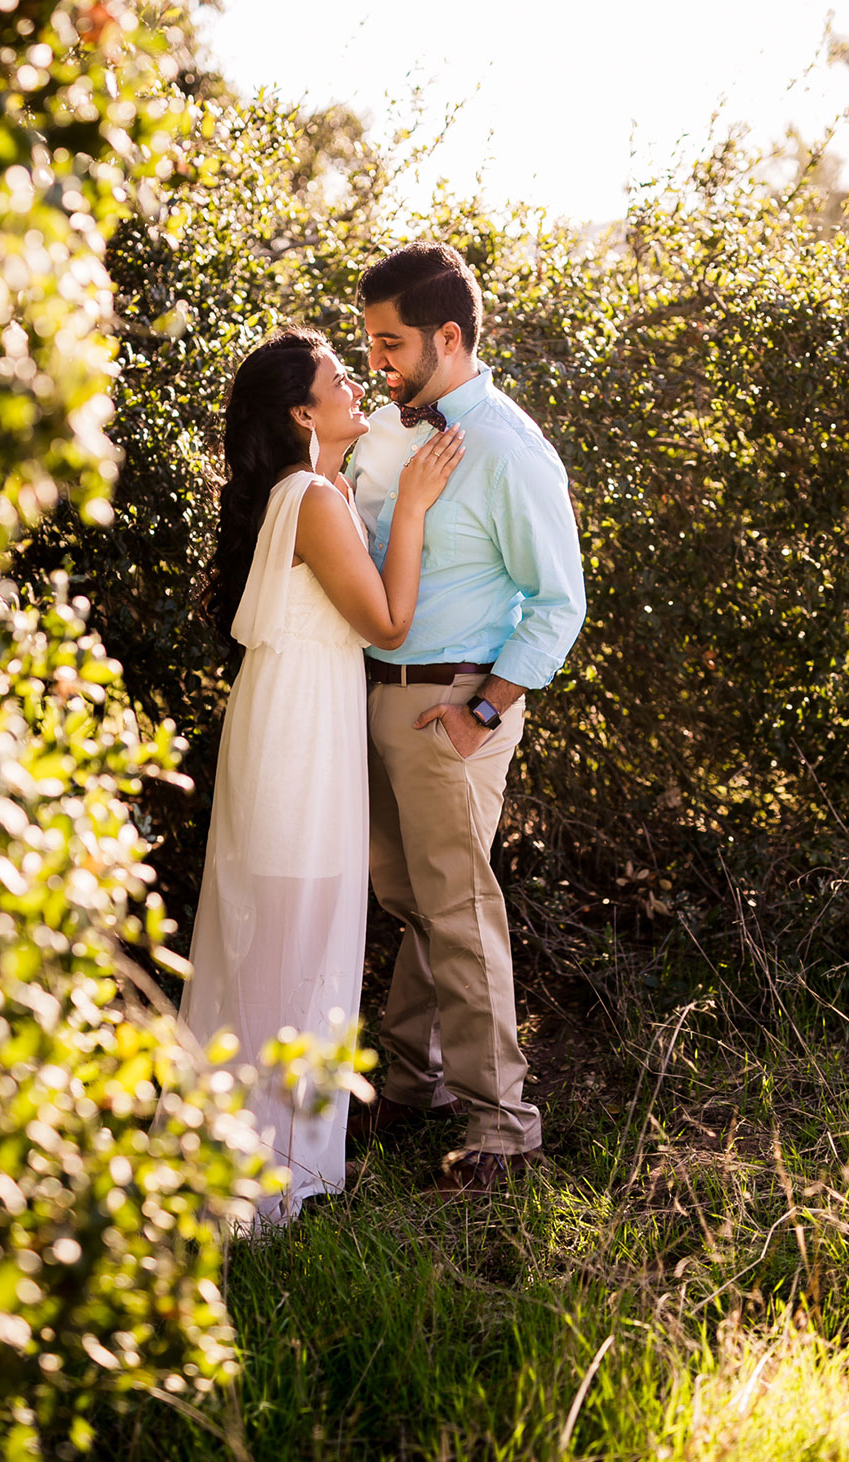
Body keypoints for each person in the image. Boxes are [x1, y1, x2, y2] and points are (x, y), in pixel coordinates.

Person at [183, 326, 463, 1223]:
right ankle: (260, 1184)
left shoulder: (316, 491)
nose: (356, 384)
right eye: (337, 379)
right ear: (304, 413)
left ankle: (258, 1158)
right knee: (290, 933)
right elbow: (387, 624)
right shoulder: (310, 495)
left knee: (283, 933)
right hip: (298, 739)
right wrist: (414, 506)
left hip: (299, 722)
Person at [341, 242, 587, 1194]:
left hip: (454, 701)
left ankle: (501, 1125)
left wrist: (484, 706)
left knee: (455, 904)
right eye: (369, 342)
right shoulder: (397, 432)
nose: (378, 363)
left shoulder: (507, 446)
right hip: (376, 692)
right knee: (409, 898)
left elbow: (557, 600)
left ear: (449, 337)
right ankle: (413, 1082)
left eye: (391, 342)